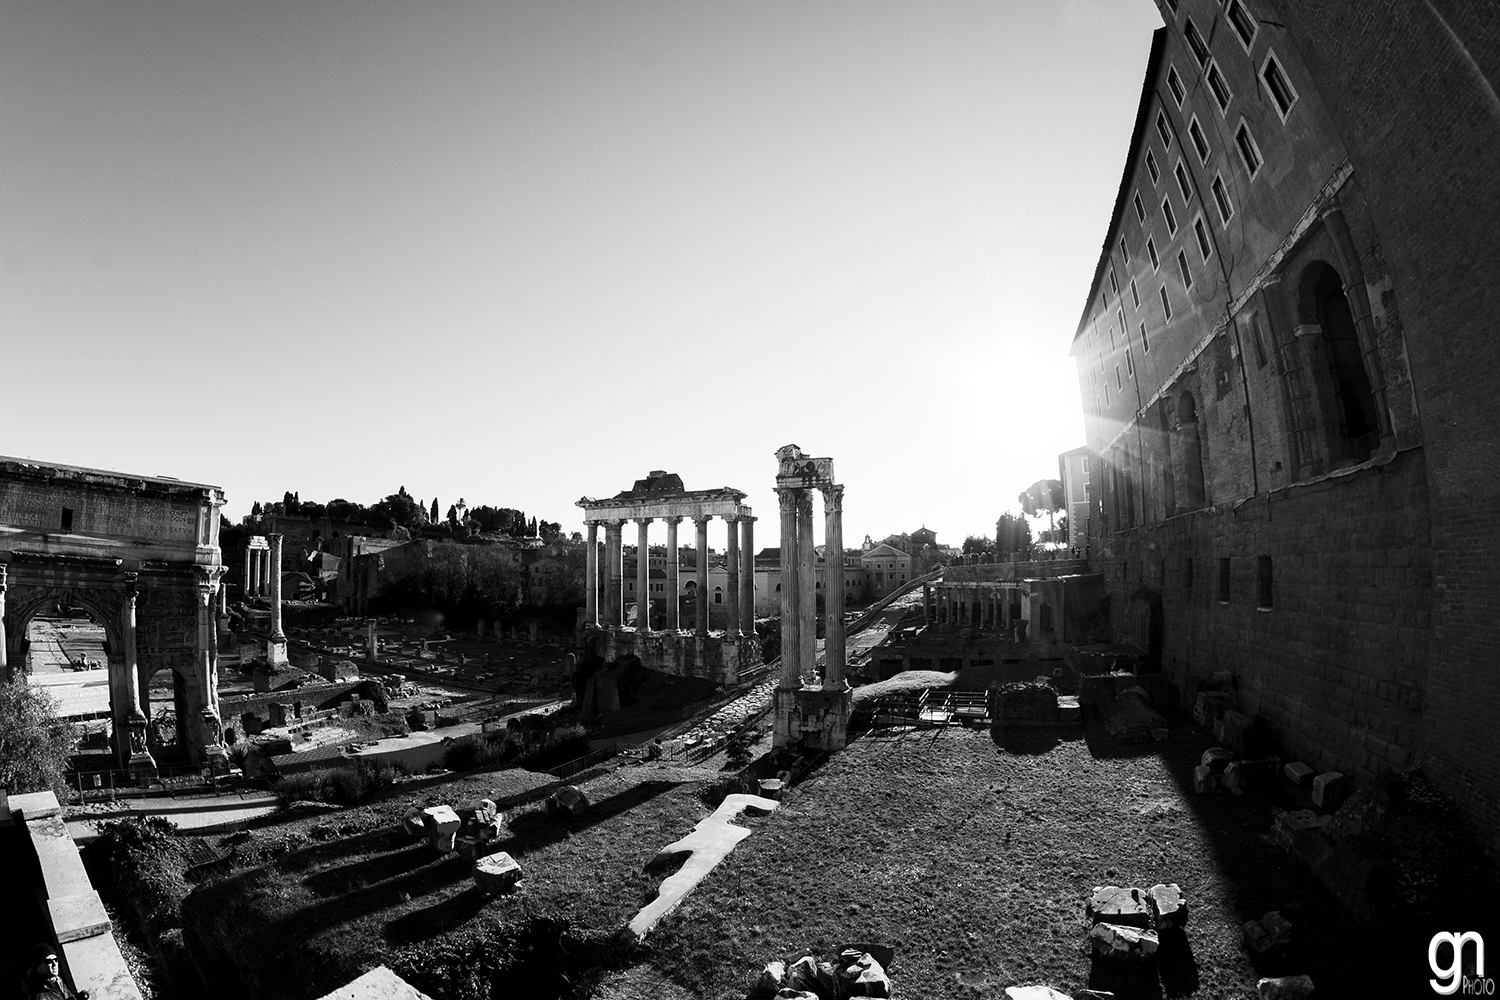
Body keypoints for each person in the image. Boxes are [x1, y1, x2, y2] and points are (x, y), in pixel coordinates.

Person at [20, 945, 88, 1000]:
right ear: (38, 966)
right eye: (49, 961)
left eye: (56, 960)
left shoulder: (57, 981)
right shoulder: (38, 995)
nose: (54, 964)